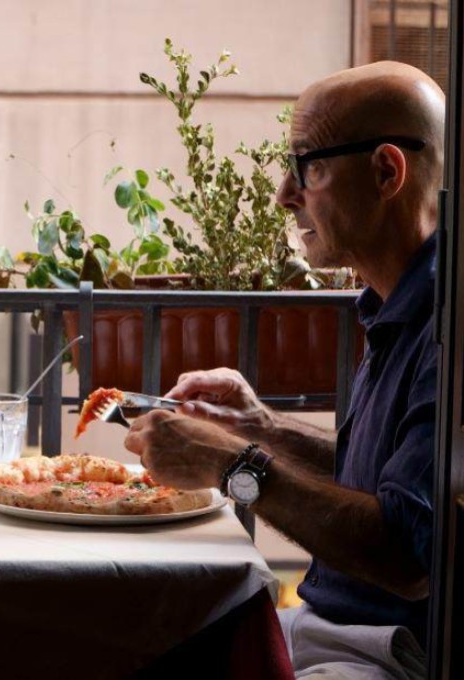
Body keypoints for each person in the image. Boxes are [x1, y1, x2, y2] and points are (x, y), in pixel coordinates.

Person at [124, 61, 444, 679]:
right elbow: (380, 486)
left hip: (387, 656)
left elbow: (408, 557)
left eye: (307, 166)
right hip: (329, 630)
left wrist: (230, 463)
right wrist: (260, 427)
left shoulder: (447, 327)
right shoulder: (394, 302)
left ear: (386, 171)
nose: (284, 194)